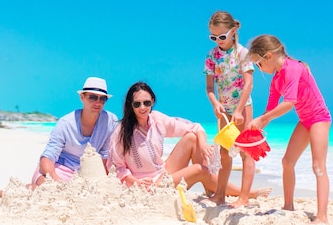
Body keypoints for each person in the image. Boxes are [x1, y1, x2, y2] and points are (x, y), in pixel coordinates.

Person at [108, 81, 269, 200]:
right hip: (145, 185)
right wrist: (135, 182)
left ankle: (209, 184)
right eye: (137, 104)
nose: (143, 107)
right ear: (130, 106)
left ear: (152, 102)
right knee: (199, 169)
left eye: (147, 103)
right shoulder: (121, 130)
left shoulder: (157, 119)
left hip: (162, 173)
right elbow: (115, 166)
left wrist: (204, 146)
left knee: (192, 138)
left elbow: (196, 127)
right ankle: (243, 192)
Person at [0, 76, 118, 197]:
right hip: (59, 168)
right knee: (47, 191)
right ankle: (2, 193)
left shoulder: (110, 121)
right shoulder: (66, 123)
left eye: (102, 99)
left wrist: (102, 182)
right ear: (82, 97)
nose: (98, 102)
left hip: (85, 171)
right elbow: (48, 157)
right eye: (92, 97)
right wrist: (55, 180)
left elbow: (104, 157)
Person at [246, 35, 332, 224]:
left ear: (268, 56)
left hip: (319, 118)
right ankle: (288, 206)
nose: (259, 69)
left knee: (318, 167)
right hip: (305, 120)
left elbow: (289, 103)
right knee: (287, 162)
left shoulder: (293, 68)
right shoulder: (276, 79)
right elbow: (270, 110)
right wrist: (254, 130)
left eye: (258, 64)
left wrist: (263, 119)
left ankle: (322, 217)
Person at [204, 10, 257, 207]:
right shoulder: (212, 56)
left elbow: (249, 84)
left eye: (222, 36)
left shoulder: (243, 54)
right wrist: (215, 103)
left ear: (233, 31)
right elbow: (210, 87)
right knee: (225, 153)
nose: (218, 40)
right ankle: (220, 194)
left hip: (242, 109)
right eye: (213, 37)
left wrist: (239, 110)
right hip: (224, 111)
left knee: (246, 151)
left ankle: (244, 197)